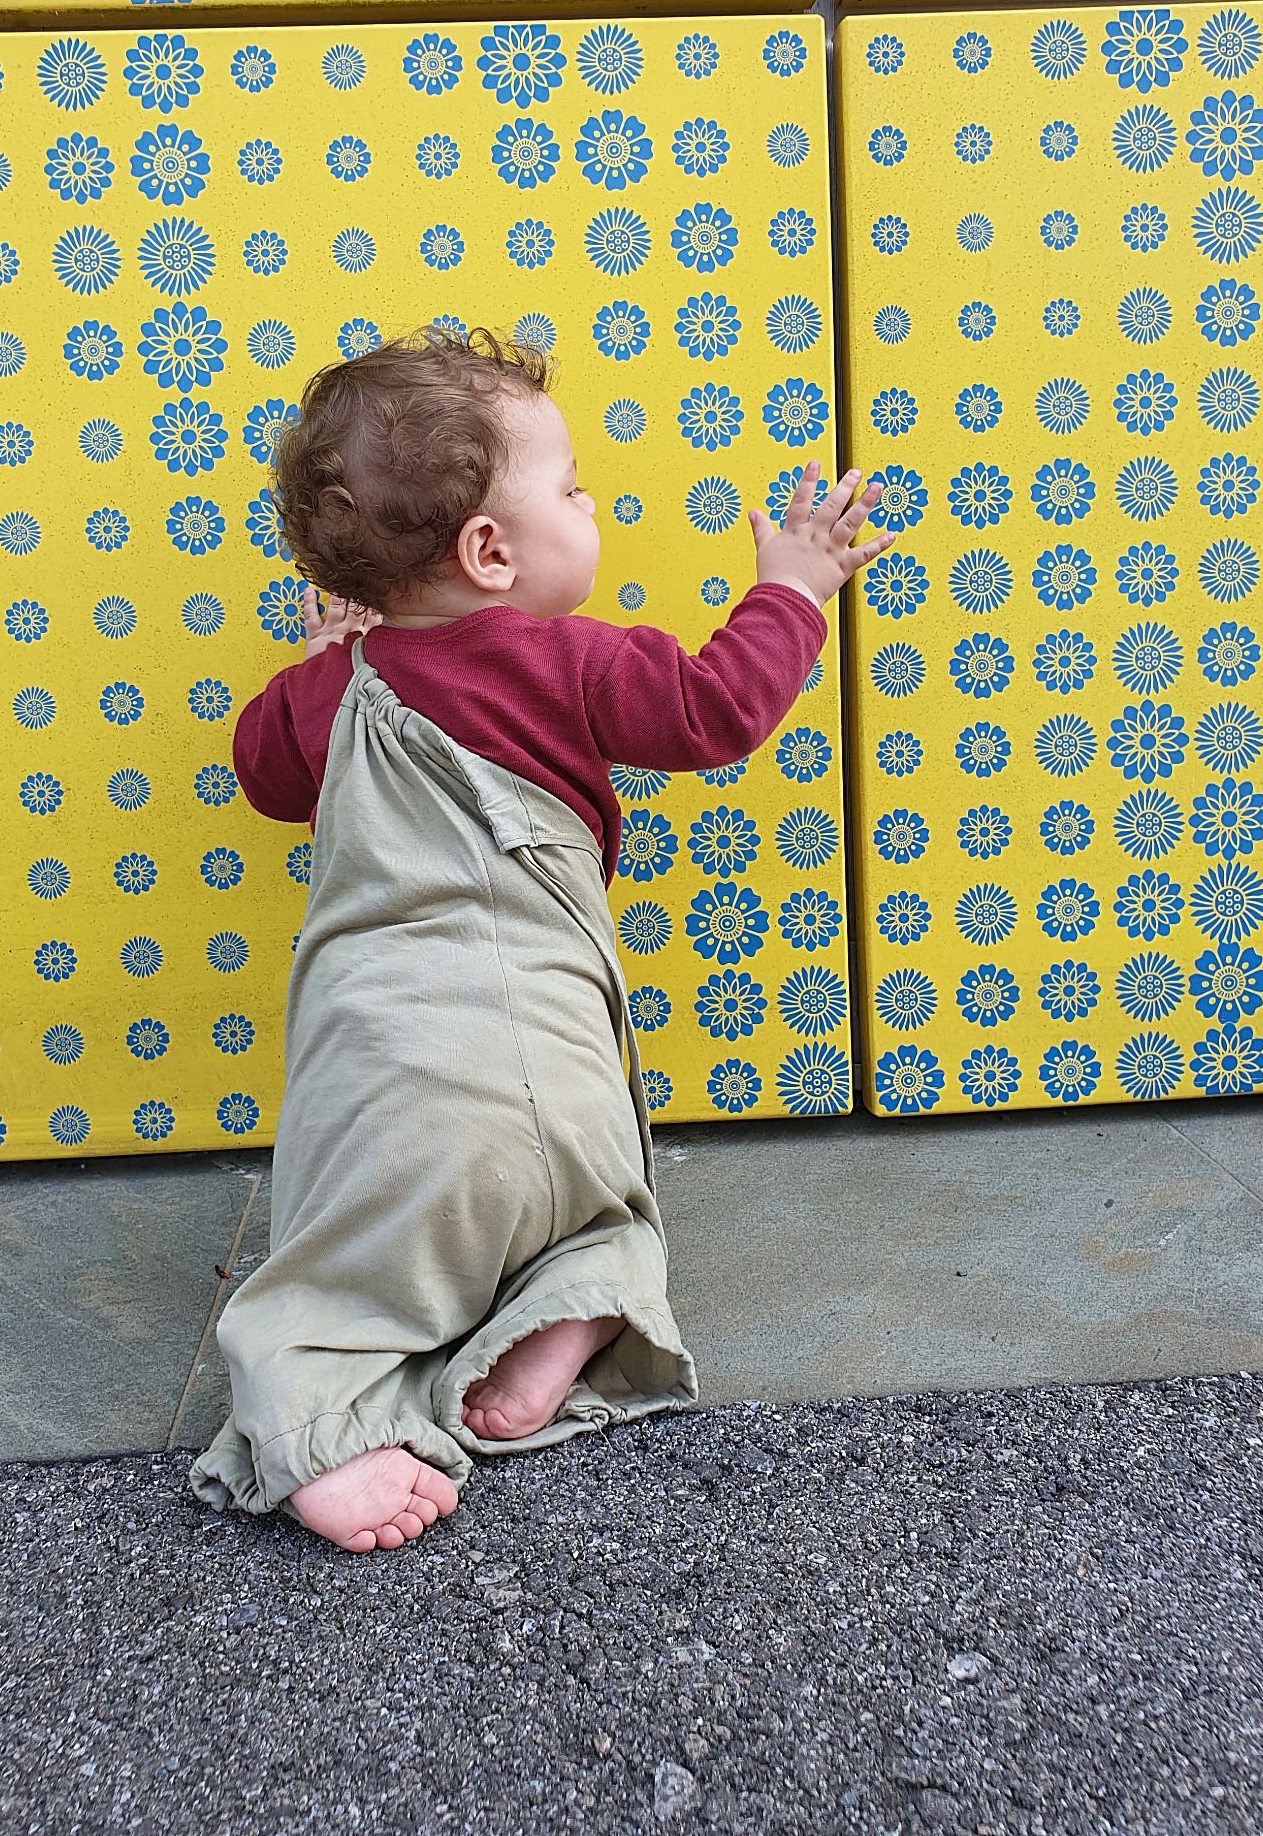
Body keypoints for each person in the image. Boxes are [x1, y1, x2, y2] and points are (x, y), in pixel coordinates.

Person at [188, 327, 893, 1554]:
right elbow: (717, 707)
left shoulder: (332, 687)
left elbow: (265, 774)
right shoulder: (567, 659)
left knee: (340, 1278)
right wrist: (792, 587)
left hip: (388, 1074)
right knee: (605, 1209)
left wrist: (316, 662)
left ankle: (326, 1430)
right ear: (490, 552)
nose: (591, 503)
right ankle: (569, 1313)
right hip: (558, 1061)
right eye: (572, 488)